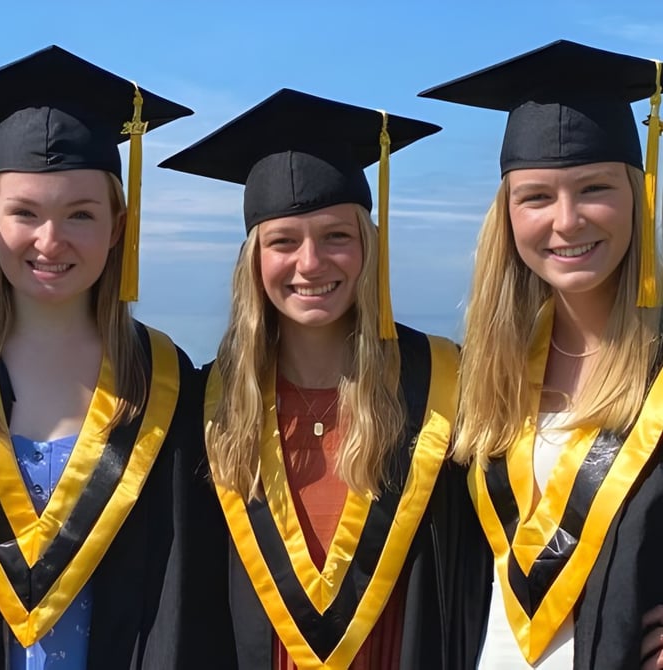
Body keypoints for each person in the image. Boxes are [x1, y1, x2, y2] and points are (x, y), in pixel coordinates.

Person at [0, 45, 224, 669]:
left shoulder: (162, 379)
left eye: (81, 213)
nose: (52, 241)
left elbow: (193, 589)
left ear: (118, 226)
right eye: (25, 213)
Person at [159, 89, 489, 669]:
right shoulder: (207, 406)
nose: (310, 263)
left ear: (368, 245)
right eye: (283, 241)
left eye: (337, 235)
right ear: (254, 260)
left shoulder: (446, 387)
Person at [420, 40, 663, 669]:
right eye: (536, 197)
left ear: (637, 196)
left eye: (594, 189)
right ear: (507, 214)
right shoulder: (483, 376)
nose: (567, 220)